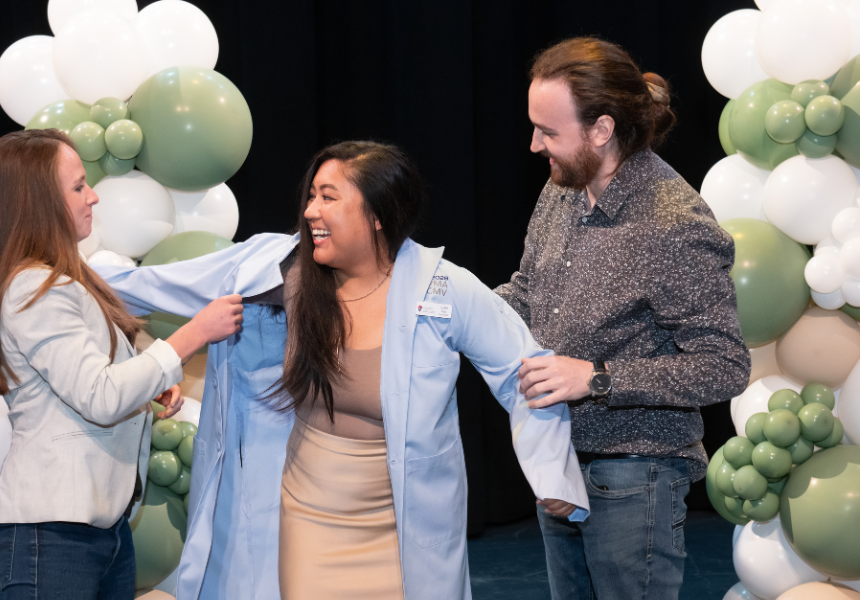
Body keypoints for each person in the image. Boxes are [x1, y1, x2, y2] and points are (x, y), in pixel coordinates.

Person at [93, 141, 591, 600]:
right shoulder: (280, 270)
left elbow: (523, 369)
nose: (310, 211)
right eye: (311, 196)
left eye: (328, 197)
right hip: (310, 516)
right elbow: (152, 286)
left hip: (406, 523)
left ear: (377, 214)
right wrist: (64, 274)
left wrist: (551, 473)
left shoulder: (441, 288)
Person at [493, 37, 751, 600]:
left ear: (602, 130)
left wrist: (596, 377)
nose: (535, 144)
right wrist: (447, 306)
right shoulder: (562, 188)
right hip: (559, 459)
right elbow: (527, 291)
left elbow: (725, 366)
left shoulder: (672, 223)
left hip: (636, 477)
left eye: (548, 131)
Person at [0, 128, 244, 599]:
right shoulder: (34, 286)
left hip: (98, 528)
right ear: (36, 202)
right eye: (77, 187)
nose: (93, 197)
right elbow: (101, 396)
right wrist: (197, 332)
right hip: (53, 535)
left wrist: (144, 391)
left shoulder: (58, 280)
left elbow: (84, 384)